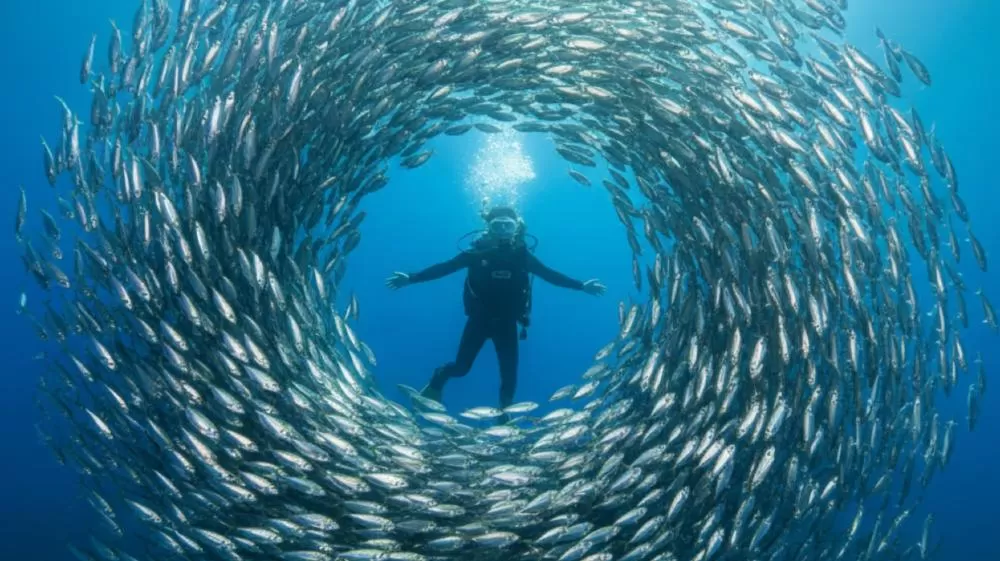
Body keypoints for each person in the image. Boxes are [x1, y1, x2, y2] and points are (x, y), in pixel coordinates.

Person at [386, 206, 606, 417]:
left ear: (516, 229)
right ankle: (437, 382)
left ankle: (504, 414)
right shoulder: (475, 253)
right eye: (497, 226)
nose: (502, 231)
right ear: (488, 229)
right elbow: (444, 268)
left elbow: (550, 274)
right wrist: (411, 278)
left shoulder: (522, 255)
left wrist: (581, 286)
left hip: (507, 323)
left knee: (510, 375)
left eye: (507, 226)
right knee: (461, 368)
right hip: (479, 320)